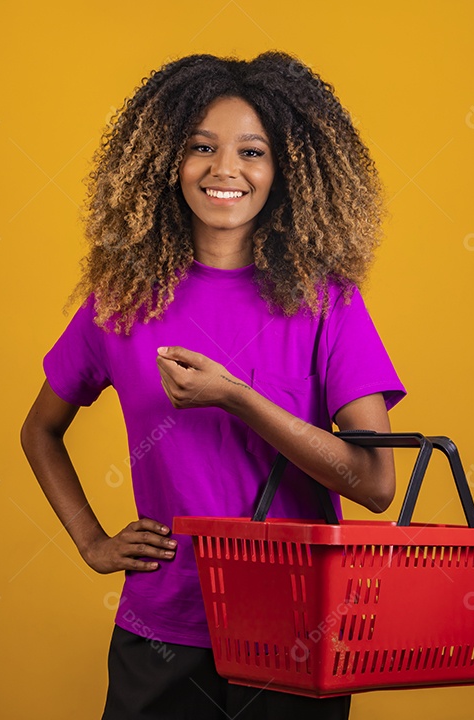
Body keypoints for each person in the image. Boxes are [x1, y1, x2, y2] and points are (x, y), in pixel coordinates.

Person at [21, 51, 406, 720]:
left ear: (285, 170)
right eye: (202, 147)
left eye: (252, 152)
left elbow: (374, 483)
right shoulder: (120, 304)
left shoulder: (328, 305)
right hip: (161, 636)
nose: (225, 169)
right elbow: (40, 430)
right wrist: (93, 542)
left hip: (296, 636)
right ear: (168, 162)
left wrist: (238, 397)